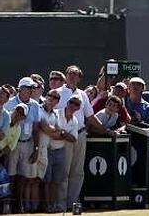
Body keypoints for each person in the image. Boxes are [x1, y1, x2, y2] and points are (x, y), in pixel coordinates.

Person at [55, 65, 116, 210]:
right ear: (66, 75)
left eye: (76, 74)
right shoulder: (57, 92)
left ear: (79, 78)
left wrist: (106, 130)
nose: (72, 76)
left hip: (80, 134)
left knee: (77, 171)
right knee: (64, 171)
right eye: (70, 73)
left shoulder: (82, 94)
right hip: (64, 135)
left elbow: (90, 117)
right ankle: (60, 204)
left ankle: (72, 203)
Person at [3, 77, 42, 213]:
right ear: (21, 89)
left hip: (28, 143)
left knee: (23, 176)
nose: (32, 90)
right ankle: (7, 203)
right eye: (29, 88)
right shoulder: (9, 103)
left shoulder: (35, 105)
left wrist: (36, 148)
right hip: (11, 144)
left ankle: (18, 204)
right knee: (10, 175)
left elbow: (36, 128)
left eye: (33, 88)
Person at [43, 94, 79, 213]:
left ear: (78, 108)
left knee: (56, 181)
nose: (73, 106)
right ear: (67, 103)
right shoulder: (56, 113)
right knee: (47, 181)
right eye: (72, 103)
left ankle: (53, 205)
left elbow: (73, 138)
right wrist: (63, 134)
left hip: (60, 151)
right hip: (48, 149)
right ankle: (47, 205)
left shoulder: (75, 120)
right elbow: (50, 132)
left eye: (76, 104)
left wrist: (61, 133)